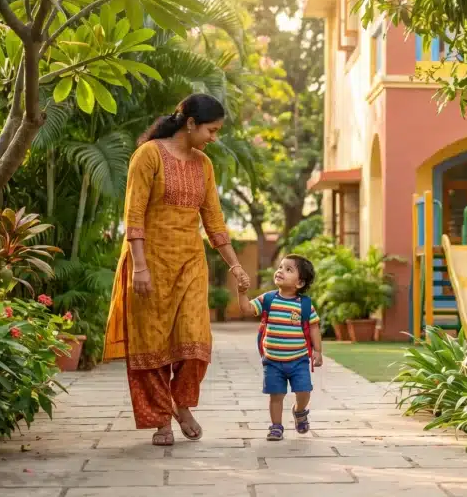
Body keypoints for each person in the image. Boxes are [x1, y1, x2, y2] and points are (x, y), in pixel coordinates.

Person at [104, 94, 250, 446]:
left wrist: (235, 265)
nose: (214, 137)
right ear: (190, 123)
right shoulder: (149, 155)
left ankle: (181, 404)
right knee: (151, 344)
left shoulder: (204, 164)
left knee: (195, 341)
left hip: (190, 263)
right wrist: (139, 266)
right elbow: (134, 214)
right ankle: (161, 421)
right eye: (211, 130)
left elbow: (213, 219)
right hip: (149, 262)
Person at [240, 255, 323, 441]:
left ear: (299, 283)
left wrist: (317, 351)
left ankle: (299, 411)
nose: (280, 271)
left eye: (288, 269)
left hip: (299, 359)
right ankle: (276, 426)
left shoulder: (305, 305)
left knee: (304, 391)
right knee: (275, 395)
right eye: (280, 267)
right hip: (273, 361)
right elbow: (246, 309)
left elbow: (315, 327)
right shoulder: (267, 299)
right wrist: (241, 293)